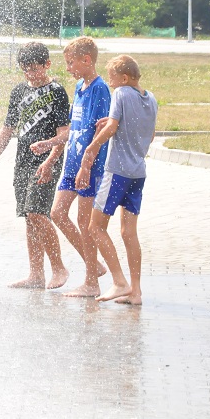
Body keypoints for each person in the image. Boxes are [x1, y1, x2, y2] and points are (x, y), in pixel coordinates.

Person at [0, 42, 70, 289]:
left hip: (46, 161)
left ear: (47, 64)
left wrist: (51, 160)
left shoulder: (57, 91)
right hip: (23, 161)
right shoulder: (18, 92)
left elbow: (64, 132)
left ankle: (59, 268)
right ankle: (36, 275)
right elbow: (8, 129)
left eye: (34, 68)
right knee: (28, 218)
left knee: (37, 213)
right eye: (25, 70)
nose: (30, 74)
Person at [30, 37, 110, 297]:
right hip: (72, 163)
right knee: (58, 214)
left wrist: (86, 165)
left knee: (84, 221)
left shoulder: (100, 89)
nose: (68, 69)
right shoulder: (80, 86)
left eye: (71, 63)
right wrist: (50, 146)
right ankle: (93, 266)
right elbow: (75, 129)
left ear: (87, 60)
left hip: (89, 166)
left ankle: (91, 282)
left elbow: (98, 134)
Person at [77, 54, 158, 306]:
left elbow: (112, 128)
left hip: (117, 172)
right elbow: (150, 134)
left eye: (112, 78)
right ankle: (135, 292)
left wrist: (91, 149)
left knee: (95, 227)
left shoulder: (121, 93)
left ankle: (118, 281)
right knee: (128, 233)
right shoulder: (151, 98)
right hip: (138, 172)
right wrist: (117, 124)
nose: (110, 83)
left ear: (124, 78)